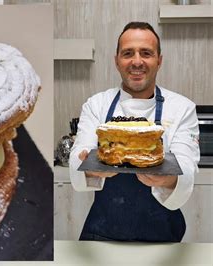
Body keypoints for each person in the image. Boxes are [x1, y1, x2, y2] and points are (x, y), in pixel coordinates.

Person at [69, 22, 200, 242]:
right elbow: (77, 158)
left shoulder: (182, 108)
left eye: (146, 53)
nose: (137, 61)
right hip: (102, 234)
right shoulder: (97, 104)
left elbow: (186, 168)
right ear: (116, 60)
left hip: (163, 237)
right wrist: (91, 168)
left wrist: (167, 180)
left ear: (159, 60)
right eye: (128, 53)